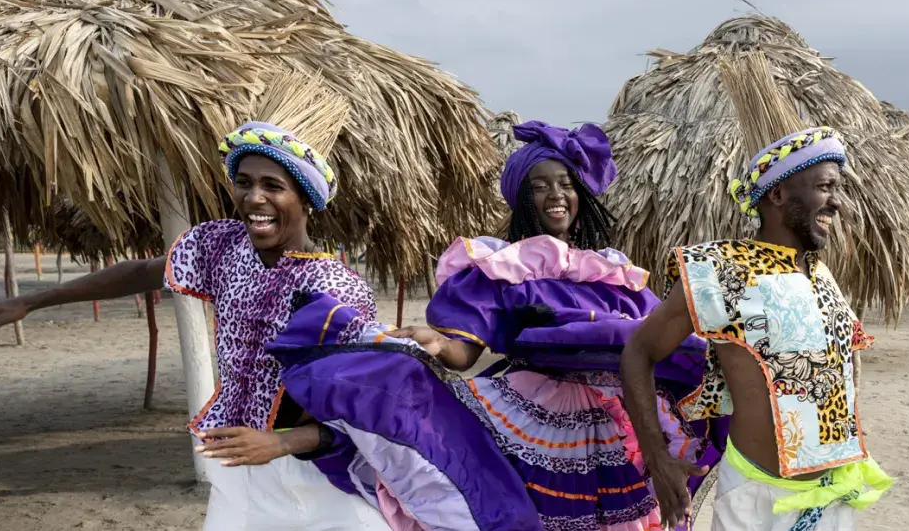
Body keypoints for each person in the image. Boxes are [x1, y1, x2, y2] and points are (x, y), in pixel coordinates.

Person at [265, 120, 723, 531]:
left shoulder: (614, 271)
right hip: (537, 414)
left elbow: (653, 339)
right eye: (540, 186)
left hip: (614, 418)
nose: (556, 195)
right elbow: (467, 349)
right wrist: (439, 344)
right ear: (522, 198)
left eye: (566, 183)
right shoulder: (502, 266)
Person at [0, 122, 395, 530]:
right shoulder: (221, 245)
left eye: (272, 186)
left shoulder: (334, 288)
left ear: (305, 199)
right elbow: (140, 272)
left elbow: (364, 406)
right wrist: (33, 299)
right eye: (244, 183)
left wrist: (279, 444)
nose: (254, 198)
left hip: (315, 473)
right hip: (237, 461)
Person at [622, 125, 894, 531]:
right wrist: (657, 458)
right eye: (825, 187)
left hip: (835, 494)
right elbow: (638, 352)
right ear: (778, 194)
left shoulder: (823, 275)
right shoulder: (720, 269)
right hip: (757, 502)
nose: (837, 202)